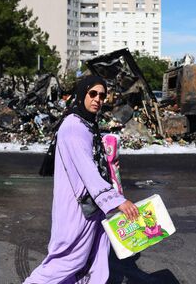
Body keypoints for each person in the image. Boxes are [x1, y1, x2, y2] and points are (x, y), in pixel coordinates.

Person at [24, 75, 139, 284]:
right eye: (92, 93)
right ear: (81, 94)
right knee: (67, 261)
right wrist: (117, 201)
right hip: (76, 209)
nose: (97, 99)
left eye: (102, 95)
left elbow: (94, 161)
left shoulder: (86, 124)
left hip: (89, 207)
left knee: (90, 260)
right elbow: (88, 171)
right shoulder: (74, 126)